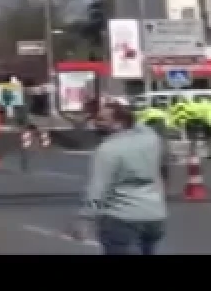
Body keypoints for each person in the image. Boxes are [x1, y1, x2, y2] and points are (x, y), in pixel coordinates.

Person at [73, 102, 170, 255]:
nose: (96, 124)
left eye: (102, 120)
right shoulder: (151, 139)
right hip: (154, 216)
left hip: (122, 218)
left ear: (118, 123)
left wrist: (85, 219)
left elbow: (97, 188)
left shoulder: (108, 150)